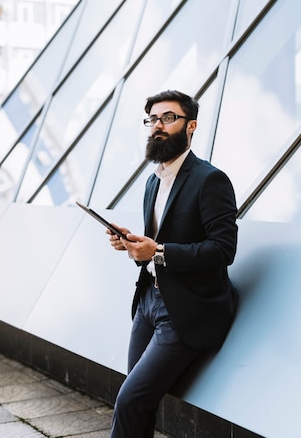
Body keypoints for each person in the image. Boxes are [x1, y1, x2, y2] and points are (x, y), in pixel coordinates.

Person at [107, 89, 238, 438]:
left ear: (190, 125)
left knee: (130, 400)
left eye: (168, 118)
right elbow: (158, 241)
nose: (157, 127)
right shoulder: (153, 182)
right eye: (152, 119)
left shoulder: (210, 179)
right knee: (139, 402)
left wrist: (158, 252)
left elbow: (223, 249)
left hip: (187, 309)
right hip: (148, 301)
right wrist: (131, 243)